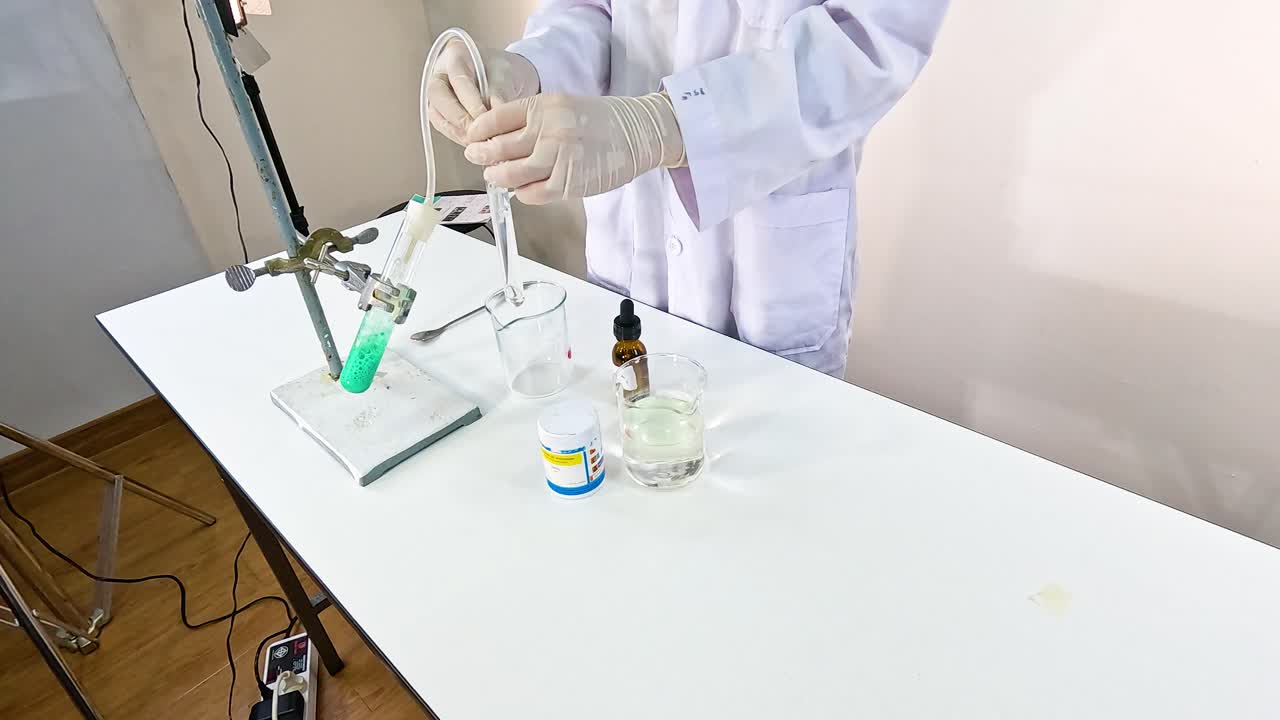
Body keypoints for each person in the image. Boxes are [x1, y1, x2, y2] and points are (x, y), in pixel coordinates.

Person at [429, 1, 949, 377]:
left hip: (771, 264)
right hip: (634, 242)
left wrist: (671, 124)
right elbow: (590, 11)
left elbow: (866, 45)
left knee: (776, 494)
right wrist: (531, 68)